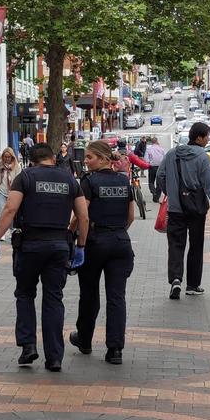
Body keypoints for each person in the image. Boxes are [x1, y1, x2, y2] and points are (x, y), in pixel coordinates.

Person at [0, 143, 89, 372]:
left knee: (24, 294)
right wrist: (81, 245)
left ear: (32, 161)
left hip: (30, 246)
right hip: (58, 246)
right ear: (53, 158)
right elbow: (83, 216)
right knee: (53, 299)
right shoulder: (69, 180)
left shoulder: (25, 177)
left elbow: (10, 209)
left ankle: (28, 346)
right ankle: (54, 357)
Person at [69, 140, 135, 365]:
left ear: (104, 158)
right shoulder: (124, 182)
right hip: (120, 242)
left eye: (90, 157)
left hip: (95, 242)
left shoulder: (89, 182)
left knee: (89, 293)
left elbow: (81, 216)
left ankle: (85, 339)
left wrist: (76, 238)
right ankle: (115, 349)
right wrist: (117, 231)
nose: (86, 162)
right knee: (117, 297)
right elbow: (131, 216)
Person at [156, 122, 210, 300]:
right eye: (207, 137)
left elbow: (160, 176)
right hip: (196, 208)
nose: (208, 139)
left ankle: (176, 279)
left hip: (175, 209)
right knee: (196, 246)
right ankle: (193, 285)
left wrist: (171, 192)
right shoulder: (202, 157)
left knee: (175, 245)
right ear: (199, 138)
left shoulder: (172, 154)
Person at [0, 147, 21, 235]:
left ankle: (11, 230)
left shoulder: (17, 166)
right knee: (2, 212)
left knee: (11, 212)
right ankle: (1, 233)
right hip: (0, 191)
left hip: (12, 192)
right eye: (5, 157)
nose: (7, 159)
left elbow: (19, 180)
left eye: (9, 157)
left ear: (12, 157)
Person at [145, 137, 166, 202]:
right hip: (160, 167)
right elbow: (165, 158)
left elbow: (146, 159)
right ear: (157, 141)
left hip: (152, 167)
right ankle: (157, 196)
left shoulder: (149, 149)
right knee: (159, 182)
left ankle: (153, 192)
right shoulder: (161, 149)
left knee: (151, 181)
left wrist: (149, 163)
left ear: (151, 142)